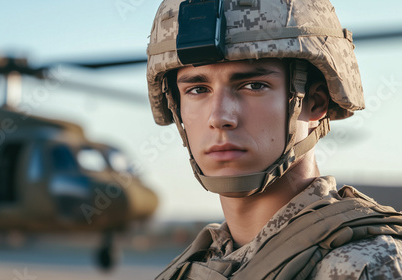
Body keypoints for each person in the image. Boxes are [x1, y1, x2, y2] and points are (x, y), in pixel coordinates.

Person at [146, 0, 402, 279]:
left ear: (315, 103)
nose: (219, 117)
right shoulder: (193, 267)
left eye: (254, 86)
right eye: (197, 89)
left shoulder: (365, 265)